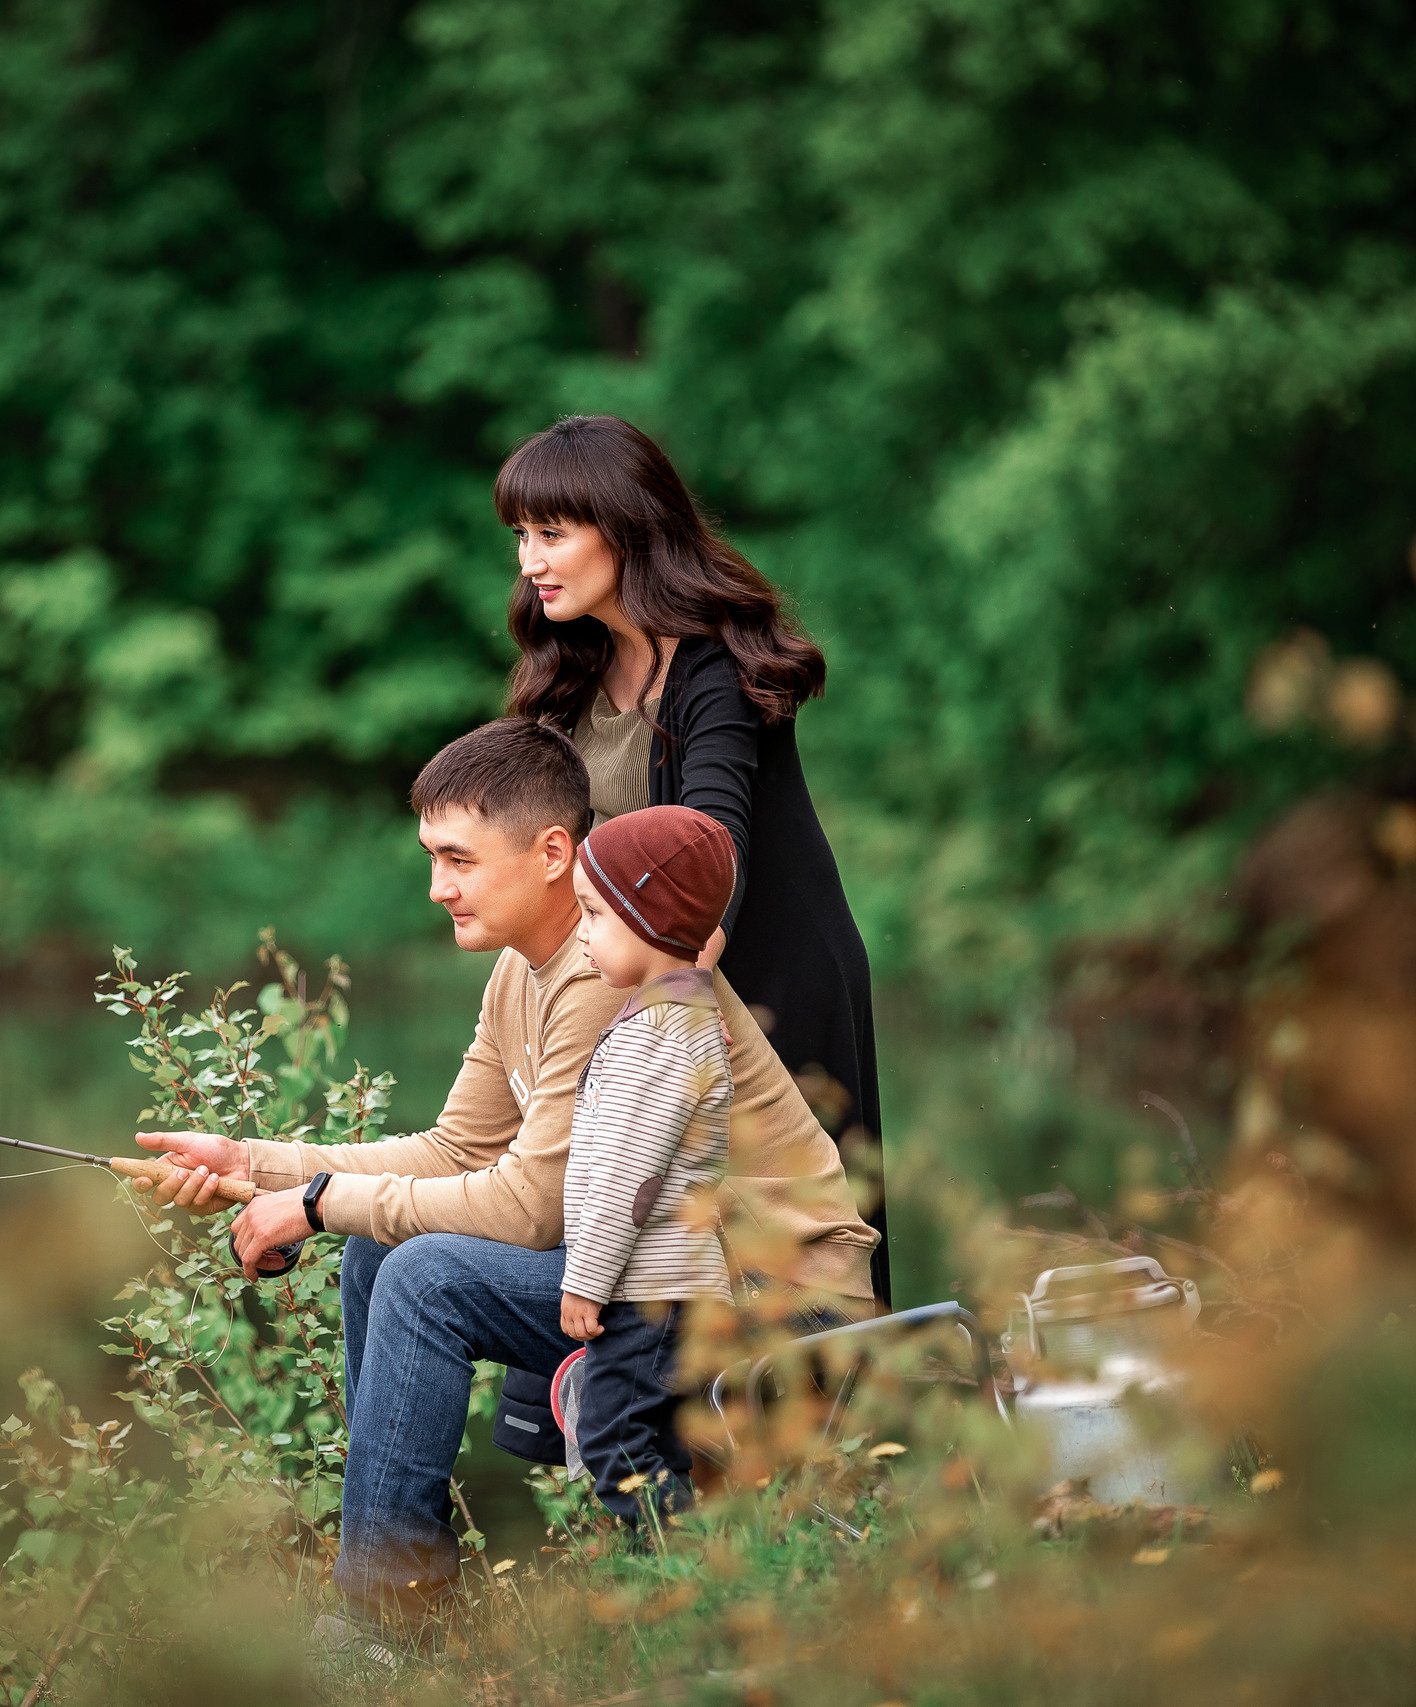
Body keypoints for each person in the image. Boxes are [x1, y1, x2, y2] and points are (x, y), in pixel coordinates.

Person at [134, 717, 876, 1623]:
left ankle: (384, 1621)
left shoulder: (615, 973)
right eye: (431, 858)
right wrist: (259, 1163)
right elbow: (453, 1152)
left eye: (459, 859)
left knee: (423, 1276)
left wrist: (319, 1206)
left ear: (553, 852)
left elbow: (531, 1207)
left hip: (775, 1294)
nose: (437, 887)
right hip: (674, 1282)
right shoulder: (526, 971)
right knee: (380, 1254)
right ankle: (401, 1597)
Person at [497, 415, 893, 1309]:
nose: (529, 559)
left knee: (792, 1275)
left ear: (627, 526)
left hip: (767, 984)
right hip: (650, 991)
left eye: (552, 533)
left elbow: (715, 849)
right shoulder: (569, 673)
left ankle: (847, 1440)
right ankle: (632, 1440)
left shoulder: (711, 662)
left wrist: (659, 1000)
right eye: (522, 535)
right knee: (653, 1261)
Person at [556, 805, 739, 1532]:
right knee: (654, 1436)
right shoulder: (669, 1019)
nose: (581, 932)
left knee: (608, 1432)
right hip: (668, 1281)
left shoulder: (661, 1035)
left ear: (651, 917)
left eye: (595, 913)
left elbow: (630, 1182)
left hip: (655, 1286)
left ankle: (675, 1571)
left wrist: (585, 1280)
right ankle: (680, 1584)